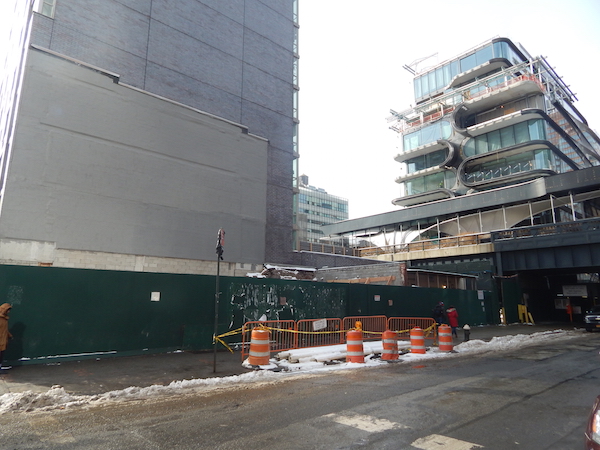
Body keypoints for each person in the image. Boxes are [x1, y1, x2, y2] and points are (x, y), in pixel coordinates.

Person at [0, 303, 12, 371]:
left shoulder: (5, 319)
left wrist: (9, 335)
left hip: (3, 341)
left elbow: (5, 329)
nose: (9, 312)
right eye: (8, 310)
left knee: (1, 354)